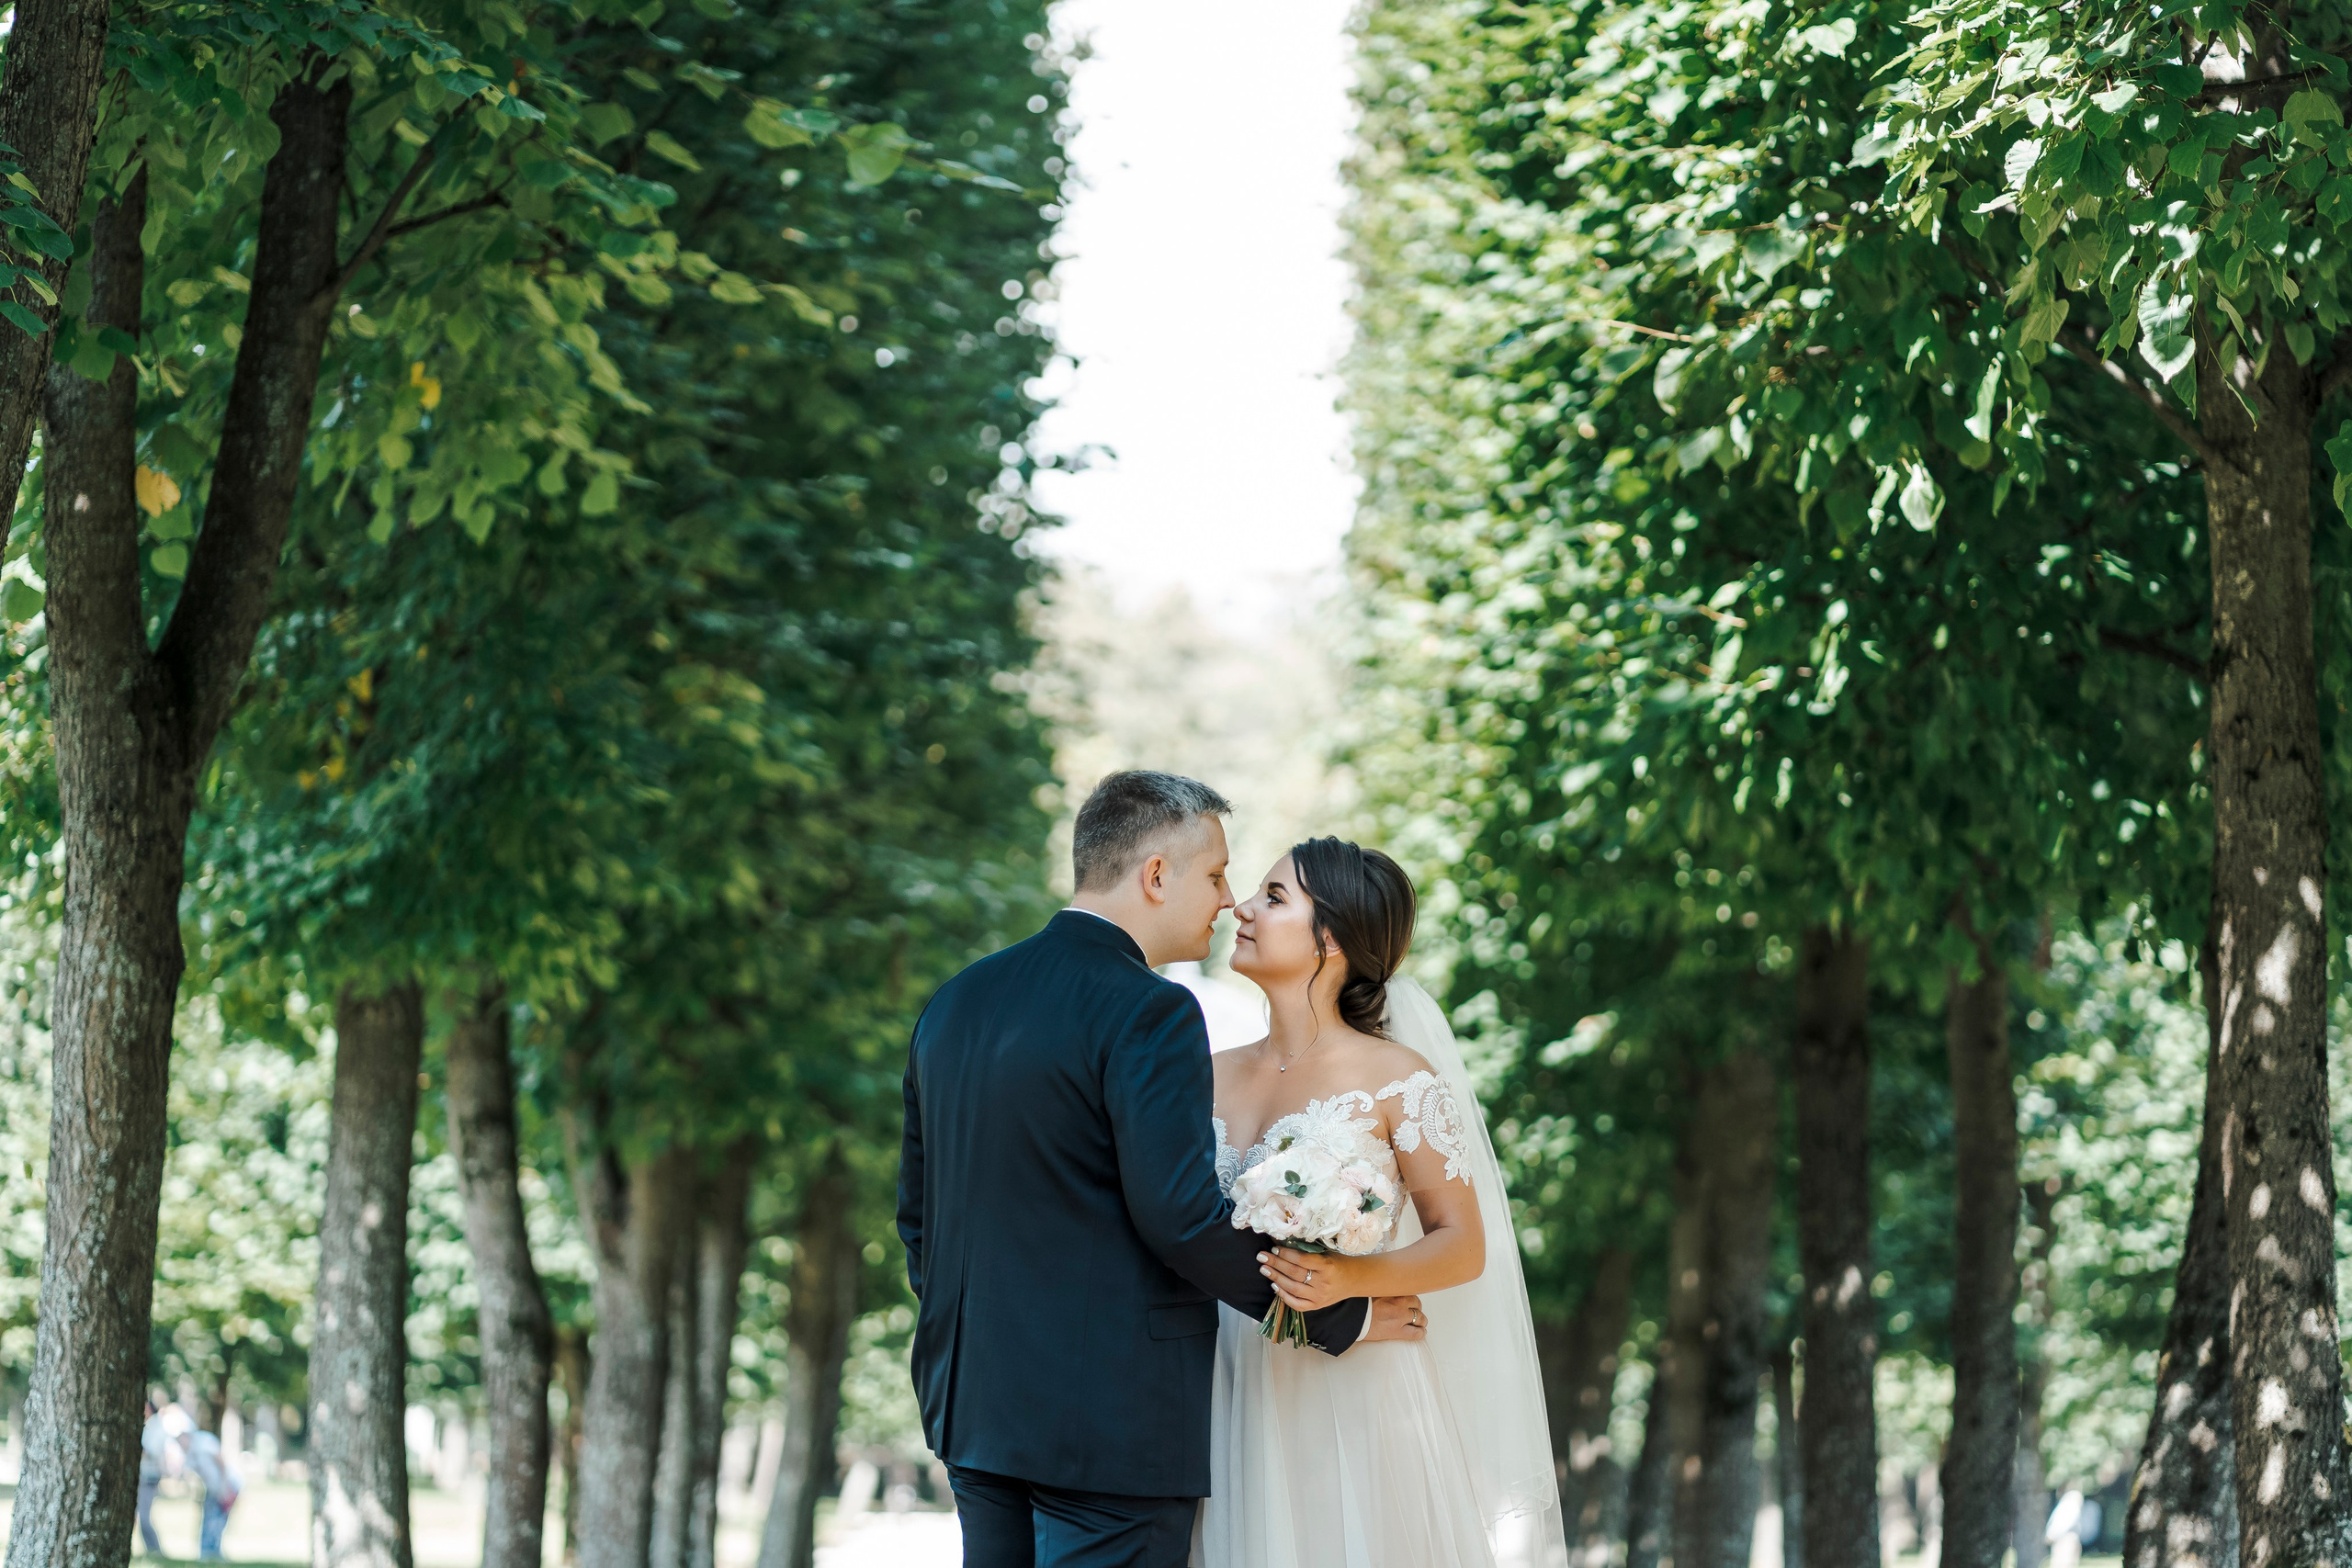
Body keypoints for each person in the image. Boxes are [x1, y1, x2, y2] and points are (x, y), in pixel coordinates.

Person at [899, 771, 1429, 1568]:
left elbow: (919, 1215)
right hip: (1108, 1423)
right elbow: (1178, 1217)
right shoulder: (1149, 1008)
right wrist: (1333, 1315)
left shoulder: (957, 1001)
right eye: (1216, 875)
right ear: (1156, 876)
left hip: (972, 1406)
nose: (1227, 900)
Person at [1203, 838, 1566, 1568]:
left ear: (1331, 938)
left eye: (1273, 897)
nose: (1241, 906)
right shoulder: (1201, 1072)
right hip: (1224, 1377)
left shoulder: (1399, 1078)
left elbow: (1462, 1241)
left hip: (1355, 1389)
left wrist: (1352, 1284)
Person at [178, 1423, 240, 1562]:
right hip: (213, 1489)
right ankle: (206, 1553)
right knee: (208, 1519)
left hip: (228, 1485)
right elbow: (194, 1476)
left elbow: (220, 1460)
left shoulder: (203, 1442)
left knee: (218, 1520)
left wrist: (225, 1486)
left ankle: (214, 1553)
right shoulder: (189, 1453)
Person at [137, 1399, 181, 1556]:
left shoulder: (156, 1425)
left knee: (144, 1517)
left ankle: (155, 1550)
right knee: (142, 1516)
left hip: (150, 1475)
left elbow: (152, 1450)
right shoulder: (151, 1425)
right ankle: (152, 1550)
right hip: (145, 1474)